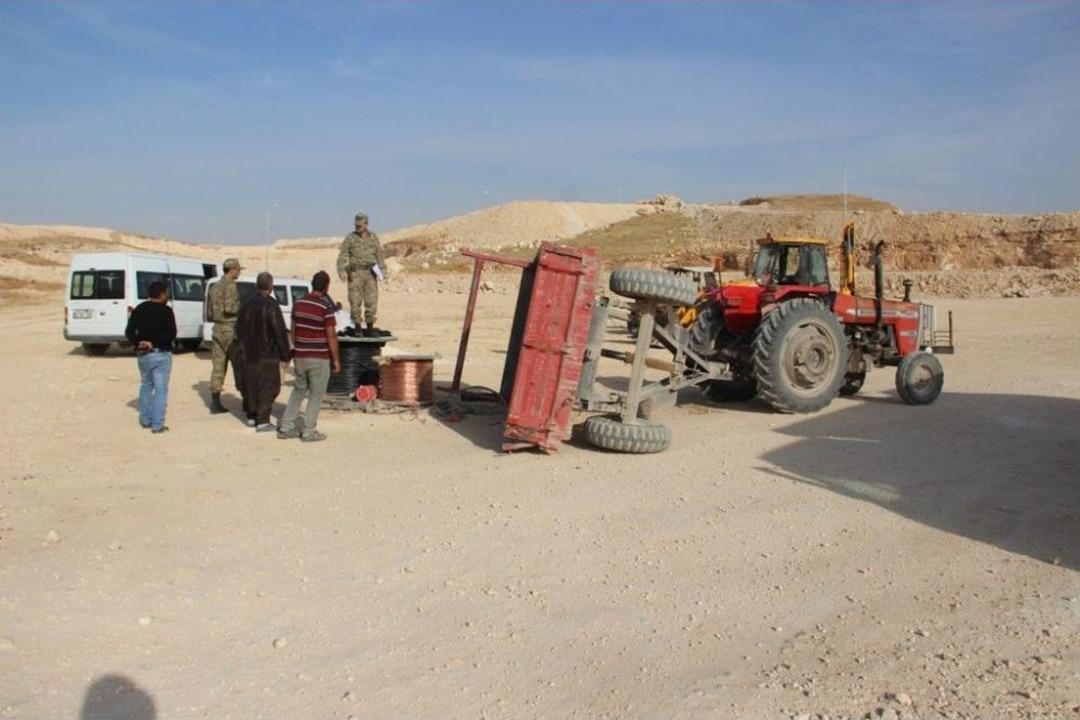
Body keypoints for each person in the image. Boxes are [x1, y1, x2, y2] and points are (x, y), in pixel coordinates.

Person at [277, 271, 342, 442]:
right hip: (319, 358)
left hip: (301, 356)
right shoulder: (325, 308)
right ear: (326, 287)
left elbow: (293, 330)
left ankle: (286, 426)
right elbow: (331, 336)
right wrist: (336, 360)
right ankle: (309, 430)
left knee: (298, 390)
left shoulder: (298, 304)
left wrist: (298, 348)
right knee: (316, 394)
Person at [235, 272, 291, 432]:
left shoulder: (246, 303)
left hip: (248, 352)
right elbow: (279, 330)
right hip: (267, 354)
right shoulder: (271, 305)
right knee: (269, 387)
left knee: (251, 384)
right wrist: (285, 354)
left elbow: (238, 327)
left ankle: (252, 416)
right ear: (271, 287)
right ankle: (263, 421)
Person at [124, 280, 176, 434]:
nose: (168, 295)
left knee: (146, 385)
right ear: (161, 294)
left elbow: (129, 331)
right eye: (166, 292)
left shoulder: (139, 309)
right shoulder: (166, 311)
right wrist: (152, 343)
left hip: (143, 355)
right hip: (160, 354)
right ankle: (157, 424)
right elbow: (171, 334)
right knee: (160, 389)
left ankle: (145, 420)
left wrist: (138, 343)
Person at [336, 212, 389, 337]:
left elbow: (380, 255)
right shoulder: (350, 238)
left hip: (371, 273)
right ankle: (358, 327)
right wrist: (341, 271)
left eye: (360, 225)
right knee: (355, 301)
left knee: (371, 301)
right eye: (356, 225)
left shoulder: (373, 238)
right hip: (355, 274)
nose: (358, 227)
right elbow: (342, 256)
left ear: (366, 224)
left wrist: (383, 271)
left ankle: (370, 326)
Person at [207, 257, 243, 414]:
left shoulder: (214, 286)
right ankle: (245, 400)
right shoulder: (231, 286)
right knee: (239, 365)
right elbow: (230, 308)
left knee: (218, 366)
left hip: (217, 329)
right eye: (238, 269)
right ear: (233, 269)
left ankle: (215, 402)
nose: (239, 272)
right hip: (230, 329)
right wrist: (242, 307)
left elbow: (210, 311)